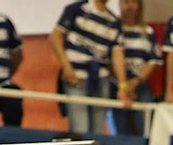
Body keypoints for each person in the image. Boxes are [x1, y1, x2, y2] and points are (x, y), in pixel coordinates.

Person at [51, 0, 131, 135]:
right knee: (79, 127)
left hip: (100, 79)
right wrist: (66, 66)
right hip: (76, 76)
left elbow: (118, 55)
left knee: (98, 130)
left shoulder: (114, 21)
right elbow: (55, 36)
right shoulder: (77, 9)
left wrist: (123, 87)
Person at [114, 0, 159, 135]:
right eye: (126, 2)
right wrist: (124, 86)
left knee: (146, 129)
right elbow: (110, 58)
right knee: (120, 131)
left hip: (140, 84)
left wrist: (135, 82)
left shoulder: (148, 32)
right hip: (117, 85)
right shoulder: (114, 29)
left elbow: (153, 61)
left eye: (133, 2)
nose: (129, 6)